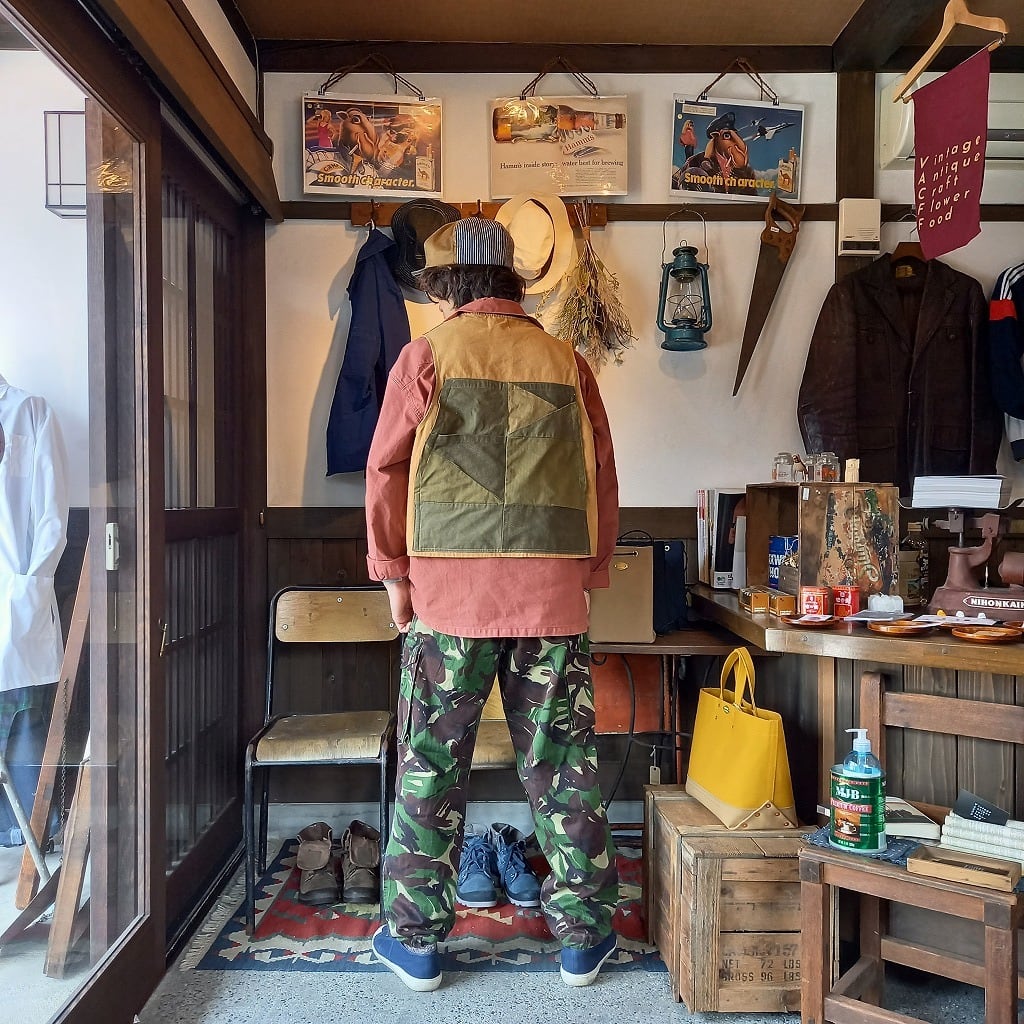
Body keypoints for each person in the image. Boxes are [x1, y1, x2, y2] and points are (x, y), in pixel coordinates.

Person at [364, 217, 620, 992]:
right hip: (551, 599)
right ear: (513, 282)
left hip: (450, 600)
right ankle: (582, 939)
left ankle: (417, 943)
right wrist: (590, 575)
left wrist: (394, 576)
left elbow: (385, 470)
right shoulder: (567, 361)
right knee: (563, 765)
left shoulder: (427, 356)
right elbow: (600, 473)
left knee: (431, 765)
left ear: (448, 286)